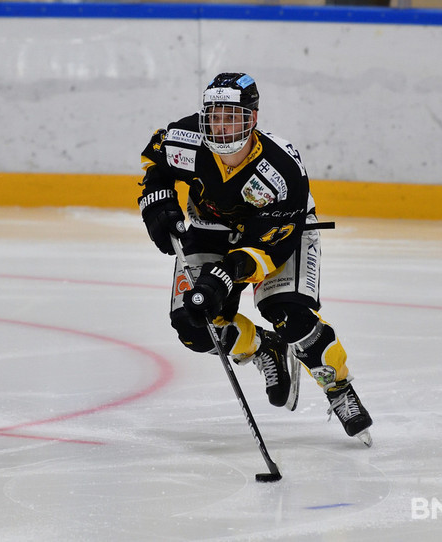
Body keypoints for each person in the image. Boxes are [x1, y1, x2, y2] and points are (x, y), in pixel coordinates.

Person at [137, 72, 373, 445]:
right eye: (215, 116)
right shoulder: (186, 139)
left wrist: (223, 276)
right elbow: (156, 165)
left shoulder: (282, 172)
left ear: (253, 118)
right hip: (208, 227)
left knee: (289, 314)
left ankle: (338, 386)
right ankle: (265, 347)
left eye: (232, 117)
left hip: (279, 234)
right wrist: (158, 204)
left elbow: (266, 248)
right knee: (194, 325)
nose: (221, 126)